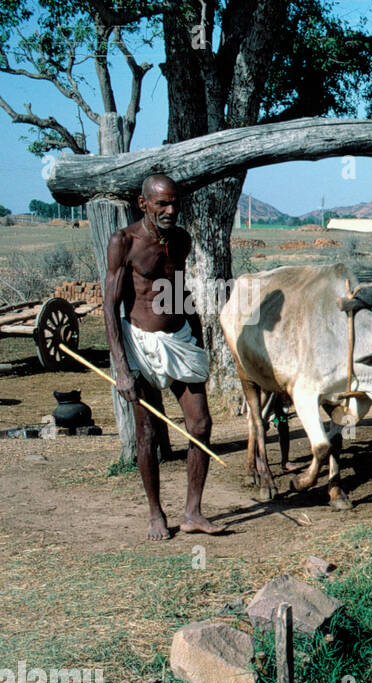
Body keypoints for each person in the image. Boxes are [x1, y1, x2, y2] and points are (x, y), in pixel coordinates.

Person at [103, 173, 222, 540]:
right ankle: (156, 513)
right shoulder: (124, 242)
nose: (171, 211)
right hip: (141, 344)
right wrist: (122, 370)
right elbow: (109, 306)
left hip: (180, 340)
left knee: (200, 425)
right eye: (162, 204)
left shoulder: (180, 240)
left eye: (175, 203)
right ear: (144, 204)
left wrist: (197, 336)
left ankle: (193, 512)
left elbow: (179, 289)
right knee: (148, 431)